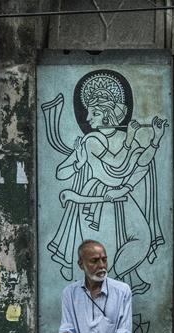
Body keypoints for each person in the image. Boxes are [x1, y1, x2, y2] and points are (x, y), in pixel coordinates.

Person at [47, 72, 166, 294]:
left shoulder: (122, 137)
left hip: (121, 195)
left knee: (142, 238)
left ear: (107, 114)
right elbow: (62, 172)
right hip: (97, 201)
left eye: (94, 113)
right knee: (103, 250)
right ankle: (107, 292)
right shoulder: (90, 140)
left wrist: (155, 140)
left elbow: (137, 166)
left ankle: (117, 288)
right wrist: (79, 162)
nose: (88, 119)